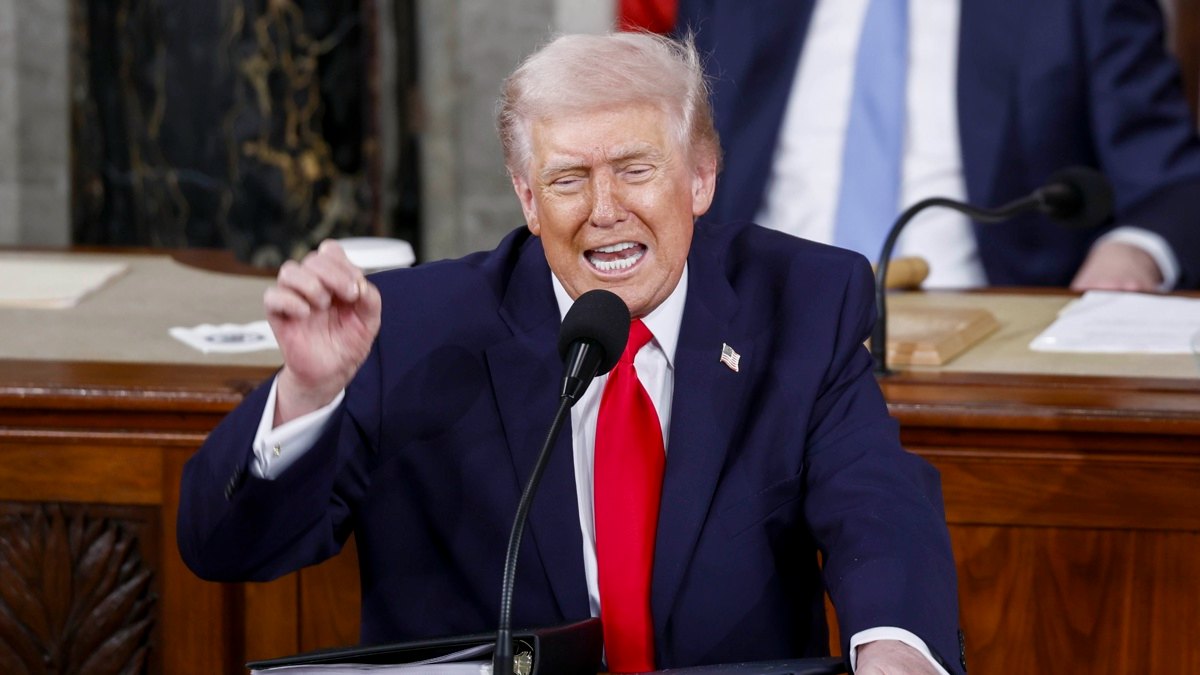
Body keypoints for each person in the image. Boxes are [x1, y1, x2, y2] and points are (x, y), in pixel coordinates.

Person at [177, 32, 964, 675]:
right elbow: (223, 546)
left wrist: (895, 648)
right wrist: (307, 395)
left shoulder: (802, 303)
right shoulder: (413, 330)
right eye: (567, 180)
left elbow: (878, 508)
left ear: (700, 177)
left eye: (635, 169)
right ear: (527, 197)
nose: (604, 210)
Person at [674, 0, 1200, 290]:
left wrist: (1132, 254)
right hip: (754, 335)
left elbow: (1172, 184)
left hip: (989, 345)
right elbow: (671, 156)